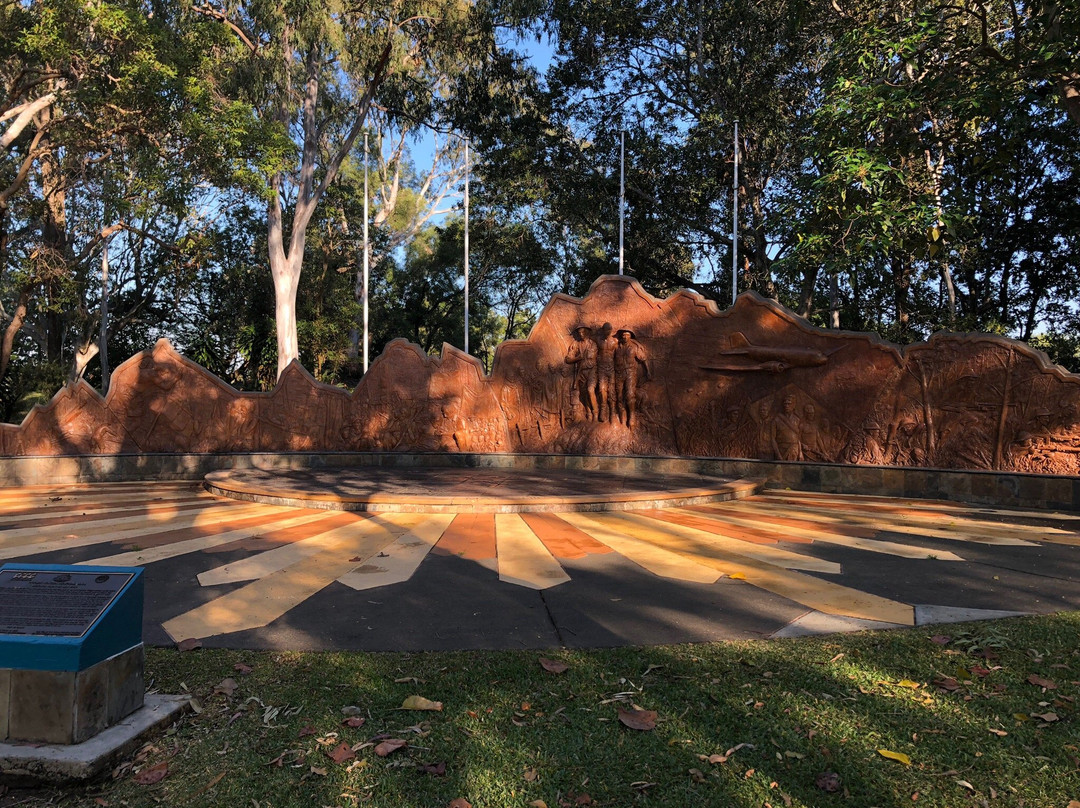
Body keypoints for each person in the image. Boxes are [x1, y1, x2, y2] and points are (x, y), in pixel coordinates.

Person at [614, 329, 650, 428]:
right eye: (624, 335)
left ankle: (632, 416)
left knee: (630, 394)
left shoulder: (634, 347)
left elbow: (643, 359)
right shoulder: (617, 347)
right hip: (619, 374)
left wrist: (648, 371)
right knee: (619, 395)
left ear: (631, 336)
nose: (625, 337)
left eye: (627, 335)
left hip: (630, 373)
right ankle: (621, 415)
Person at [564, 326, 598, 419]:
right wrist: (577, 358)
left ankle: (595, 412)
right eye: (579, 333)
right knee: (583, 393)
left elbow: (592, 356)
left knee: (590, 390)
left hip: (591, 371)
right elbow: (568, 359)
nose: (581, 334)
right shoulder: (575, 344)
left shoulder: (592, 344)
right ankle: (588, 412)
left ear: (587, 332)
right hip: (581, 372)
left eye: (583, 332)